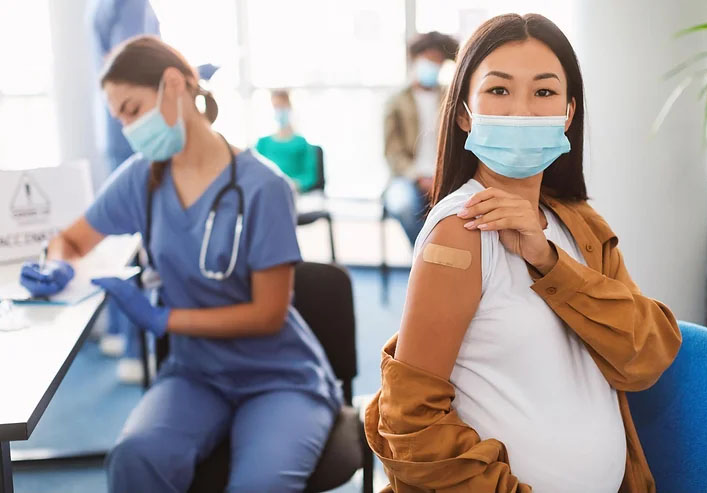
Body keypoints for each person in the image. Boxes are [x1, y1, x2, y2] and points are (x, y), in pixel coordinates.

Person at [365, 14, 681, 493]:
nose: (522, 112)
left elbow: (648, 354)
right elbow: (411, 422)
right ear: (464, 112)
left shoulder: (579, 222)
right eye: (498, 90)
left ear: (568, 113)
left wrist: (551, 261)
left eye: (544, 92)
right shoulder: (460, 231)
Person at [20, 36, 342, 492]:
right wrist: (57, 264)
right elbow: (71, 239)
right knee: (134, 459)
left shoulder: (264, 187)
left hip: (278, 379)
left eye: (132, 110)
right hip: (196, 374)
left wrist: (164, 318)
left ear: (174, 85)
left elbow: (269, 314)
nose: (128, 128)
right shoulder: (141, 178)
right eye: (119, 118)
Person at [88, 0, 160, 382]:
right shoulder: (128, 4)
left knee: (124, 239)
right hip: (132, 140)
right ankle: (132, 344)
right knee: (139, 243)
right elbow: (134, 67)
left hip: (118, 137)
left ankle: (120, 333)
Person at [383, 31, 458, 244]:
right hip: (406, 178)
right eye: (429, 59)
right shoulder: (396, 102)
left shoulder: (451, 97)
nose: (433, 65)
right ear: (415, 59)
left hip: (445, 176)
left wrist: (441, 175)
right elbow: (392, 153)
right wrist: (418, 177)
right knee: (403, 205)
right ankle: (424, 259)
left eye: (438, 61)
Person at [256, 89, 318, 193]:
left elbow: (310, 176)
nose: (279, 111)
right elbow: (255, 173)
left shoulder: (301, 143)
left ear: (290, 108)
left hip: (296, 195)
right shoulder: (262, 143)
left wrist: (294, 185)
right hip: (269, 193)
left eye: (282, 107)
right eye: (275, 107)